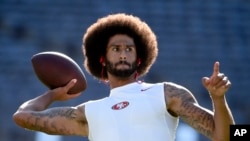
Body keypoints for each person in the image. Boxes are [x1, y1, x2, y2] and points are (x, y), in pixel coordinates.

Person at [13, 13, 235, 141]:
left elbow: (229, 136)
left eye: (129, 49)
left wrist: (218, 98)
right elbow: (22, 116)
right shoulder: (87, 112)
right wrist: (53, 94)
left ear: (139, 59)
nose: (122, 53)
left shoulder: (166, 93)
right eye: (116, 48)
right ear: (102, 59)